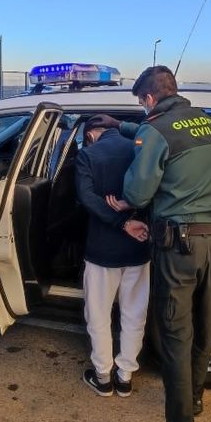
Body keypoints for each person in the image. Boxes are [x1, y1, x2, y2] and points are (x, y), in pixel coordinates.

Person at [92, 66, 211, 422]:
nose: (142, 108)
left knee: (175, 337)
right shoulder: (205, 121)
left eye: (141, 103)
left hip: (179, 248)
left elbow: (138, 190)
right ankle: (194, 400)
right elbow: (163, 136)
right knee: (203, 324)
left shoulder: (155, 131)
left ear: (149, 99)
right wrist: (122, 126)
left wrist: (123, 202)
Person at [74, 118, 151, 398]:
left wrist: (120, 222)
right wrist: (133, 218)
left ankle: (103, 376)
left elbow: (86, 197)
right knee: (134, 313)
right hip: (138, 247)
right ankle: (125, 376)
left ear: (91, 135)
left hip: (102, 250)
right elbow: (153, 189)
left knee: (98, 314)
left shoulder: (87, 155)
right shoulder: (139, 149)